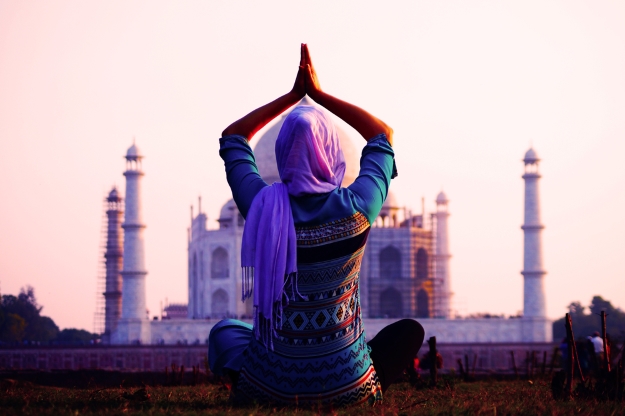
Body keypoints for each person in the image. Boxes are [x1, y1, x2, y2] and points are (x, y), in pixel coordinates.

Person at [208, 44, 424, 406]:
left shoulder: (262, 207)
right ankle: (359, 377)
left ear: (279, 153)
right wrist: (319, 95)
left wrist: (292, 97)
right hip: (347, 386)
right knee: (409, 332)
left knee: (225, 333)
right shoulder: (356, 210)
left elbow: (232, 137)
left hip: (268, 387)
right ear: (331, 153)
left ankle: (250, 382)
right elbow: (382, 135)